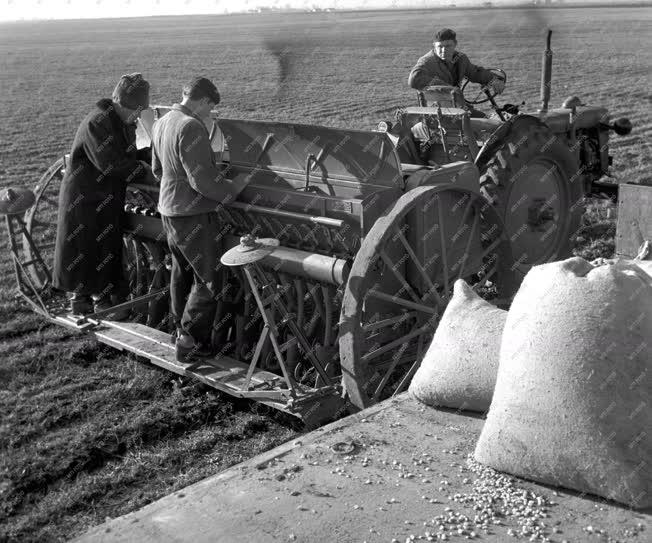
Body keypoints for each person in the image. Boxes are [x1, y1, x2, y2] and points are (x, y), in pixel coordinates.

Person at [151, 77, 248, 363]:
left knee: (181, 274)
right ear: (204, 101)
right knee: (209, 280)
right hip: (192, 214)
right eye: (211, 108)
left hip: (168, 210)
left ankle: (178, 331)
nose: (211, 115)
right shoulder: (191, 126)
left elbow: (158, 169)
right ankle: (191, 342)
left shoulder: (162, 122)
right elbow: (201, 181)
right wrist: (232, 191)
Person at [53, 73, 154, 318]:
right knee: (85, 247)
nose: (138, 117)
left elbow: (125, 155)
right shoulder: (98, 123)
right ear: (122, 104)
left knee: (101, 247)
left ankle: (98, 299)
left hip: (103, 195)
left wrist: (152, 154)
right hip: (85, 198)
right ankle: (89, 301)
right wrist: (145, 170)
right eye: (136, 111)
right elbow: (112, 164)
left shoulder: (118, 122)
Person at [408, 28, 505, 115]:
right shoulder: (427, 61)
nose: (443, 50)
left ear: (455, 44)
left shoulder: (460, 59)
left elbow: (475, 73)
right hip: (436, 112)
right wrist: (450, 90)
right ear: (434, 46)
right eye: (440, 46)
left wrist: (493, 79)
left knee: (481, 117)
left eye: (448, 46)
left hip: (457, 108)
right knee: (482, 119)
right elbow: (413, 80)